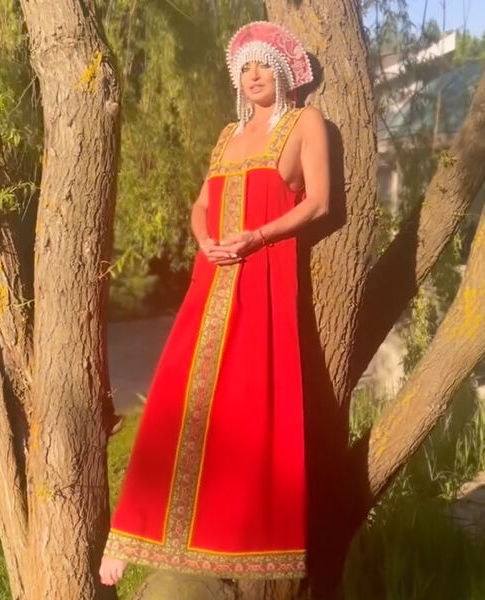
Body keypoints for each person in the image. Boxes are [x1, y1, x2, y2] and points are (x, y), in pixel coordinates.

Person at [99, 20, 330, 587]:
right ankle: (135, 530)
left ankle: (239, 538)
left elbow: (321, 203)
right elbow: (202, 204)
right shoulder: (228, 134)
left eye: (263, 65)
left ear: (283, 72)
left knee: (249, 403)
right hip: (213, 278)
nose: (253, 75)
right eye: (245, 68)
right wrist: (205, 240)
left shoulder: (305, 123)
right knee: (180, 396)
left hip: (264, 277)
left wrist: (258, 236)